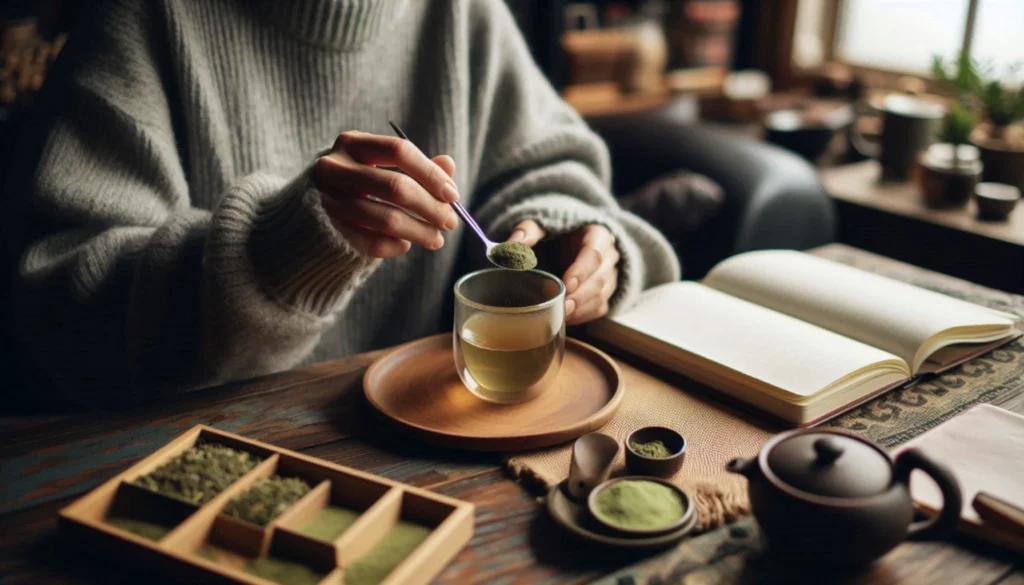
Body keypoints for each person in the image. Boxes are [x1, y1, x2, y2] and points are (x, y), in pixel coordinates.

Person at [4, 0, 679, 403]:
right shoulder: (146, 18)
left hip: (444, 432)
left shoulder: (466, 12)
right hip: (206, 462)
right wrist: (275, 256)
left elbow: (548, 164)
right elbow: (56, 311)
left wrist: (574, 238)